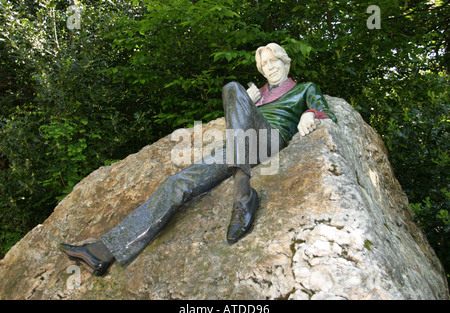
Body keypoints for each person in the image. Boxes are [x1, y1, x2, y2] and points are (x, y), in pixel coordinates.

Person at [60, 43, 336, 276]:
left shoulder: (304, 88)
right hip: (238, 148)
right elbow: (237, 115)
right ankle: (102, 252)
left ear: (285, 62)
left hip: (268, 139)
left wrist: (309, 114)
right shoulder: (256, 95)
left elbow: (326, 112)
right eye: (263, 65)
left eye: (273, 61)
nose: (269, 67)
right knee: (177, 183)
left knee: (231, 87)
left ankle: (243, 194)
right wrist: (248, 102)